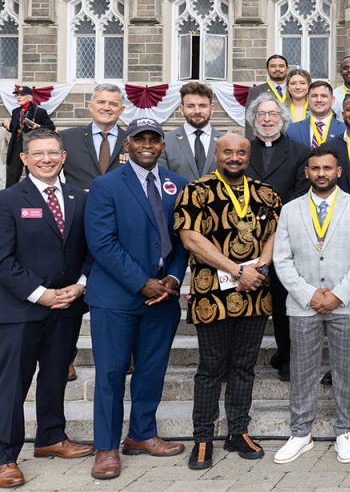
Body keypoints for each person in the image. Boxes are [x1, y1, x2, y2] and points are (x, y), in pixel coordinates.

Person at [84, 118, 188, 480]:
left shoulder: (179, 185)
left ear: (162, 146)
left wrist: (173, 277)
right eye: (139, 139)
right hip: (117, 297)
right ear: (126, 145)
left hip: (163, 297)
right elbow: (101, 243)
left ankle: (142, 434)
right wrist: (141, 282)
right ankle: (106, 447)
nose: (147, 145)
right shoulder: (105, 185)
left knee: (151, 370)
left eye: (154, 139)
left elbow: (183, 238)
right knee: (111, 373)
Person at [174, 133, 281, 470]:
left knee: (244, 365)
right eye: (228, 152)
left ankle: (238, 431)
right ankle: (202, 437)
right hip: (212, 295)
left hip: (255, 293)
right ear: (217, 154)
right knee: (210, 368)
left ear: (249, 156)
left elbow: (277, 234)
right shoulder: (196, 191)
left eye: (241, 152)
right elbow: (190, 237)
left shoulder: (266, 193)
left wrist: (259, 268)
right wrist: (237, 270)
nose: (235, 157)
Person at [0, 130, 93, 489]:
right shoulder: (7, 200)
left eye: (53, 153)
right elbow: (3, 260)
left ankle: (51, 438)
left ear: (64, 157)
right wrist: (41, 294)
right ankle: (6, 456)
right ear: (24, 159)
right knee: (12, 384)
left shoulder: (78, 198)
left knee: (55, 375)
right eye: (37, 154)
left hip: (67, 306)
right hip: (20, 309)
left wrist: (80, 286)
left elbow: (89, 250)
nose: (46, 159)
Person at [271, 145, 350, 465]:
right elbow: (281, 259)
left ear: (338, 171)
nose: (322, 173)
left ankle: (344, 430)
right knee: (302, 370)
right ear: (307, 172)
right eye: (316, 168)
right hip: (303, 304)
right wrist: (308, 294)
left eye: (328, 168)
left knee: (346, 369)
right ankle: (301, 432)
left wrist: (338, 294)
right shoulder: (290, 209)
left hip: (346, 303)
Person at [245, 96, 308, 381]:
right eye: (261, 114)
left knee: (284, 304)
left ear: (282, 118)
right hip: (245, 236)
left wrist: (276, 218)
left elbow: (300, 191)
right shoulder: (243, 151)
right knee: (247, 302)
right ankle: (243, 359)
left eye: (272, 114)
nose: (267, 119)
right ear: (253, 119)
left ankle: (287, 358)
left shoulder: (299, 152)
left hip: (287, 236)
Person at [60, 83, 128, 191]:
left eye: (113, 104)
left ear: (121, 109)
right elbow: (49, 172)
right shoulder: (67, 138)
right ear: (90, 106)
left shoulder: (132, 141)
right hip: (79, 206)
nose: (106, 108)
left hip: (121, 206)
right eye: (101, 102)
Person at [158, 81, 225, 182]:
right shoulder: (166, 141)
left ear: (212, 109)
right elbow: (162, 181)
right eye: (191, 106)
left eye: (203, 106)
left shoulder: (225, 141)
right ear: (181, 109)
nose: (197, 111)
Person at [3, 86, 55, 188]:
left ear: (30, 97)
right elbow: (14, 128)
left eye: (21, 95)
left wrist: (38, 127)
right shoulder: (15, 111)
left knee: (32, 173)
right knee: (12, 175)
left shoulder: (39, 111)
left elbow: (51, 127)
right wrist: (7, 125)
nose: (19, 97)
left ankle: (34, 195)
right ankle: (8, 199)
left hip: (32, 146)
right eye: (17, 95)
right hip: (16, 146)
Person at [286, 81, 343, 148]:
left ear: (332, 100)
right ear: (307, 99)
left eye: (324, 96)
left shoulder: (344, 130)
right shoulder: (292, 130)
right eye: (314, 96)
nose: (319, 100)